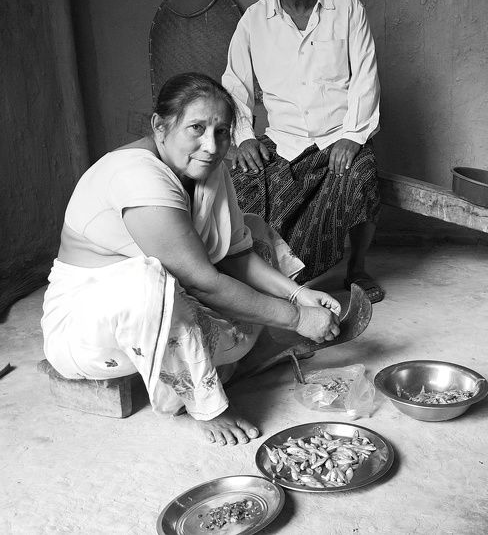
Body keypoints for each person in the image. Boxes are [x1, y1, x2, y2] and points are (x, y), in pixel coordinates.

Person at [40, 72, 341, 446]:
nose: (211, 146)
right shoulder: (135, 175)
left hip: (172, 296)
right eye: (196, 128)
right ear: (160, 126)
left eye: (222, 132)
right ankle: (204, 402)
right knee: (147, 281)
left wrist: (297, 296)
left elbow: (234, 254)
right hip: (91, 328)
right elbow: (201, 281)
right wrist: (297, 319)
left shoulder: (208, 170)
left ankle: (241, 350)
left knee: (252, 228)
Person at [221, 0, 385, 303]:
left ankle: (357, 268)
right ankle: (268, 274)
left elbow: (365, 77)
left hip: (337, 137)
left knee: (361, 175)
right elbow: (234, 85)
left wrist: (352, 136)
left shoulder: (347, 8)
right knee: (244, 181)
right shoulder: (253, 22)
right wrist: (244, 137)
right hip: (284, 140)